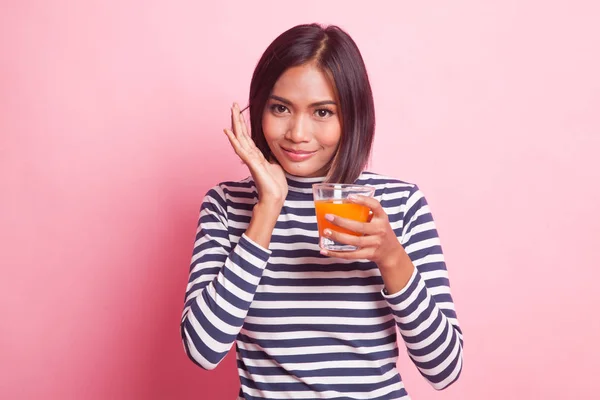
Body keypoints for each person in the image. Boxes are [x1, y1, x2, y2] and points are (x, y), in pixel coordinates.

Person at [181, 23, 463, 399]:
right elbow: (203, 349)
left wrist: (390, 255)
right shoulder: (227, 206)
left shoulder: (399, 203)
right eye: (280, 108)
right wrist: (267, 207)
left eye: (322, 112)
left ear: (352, 116)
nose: (298, 132)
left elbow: (444, 369)